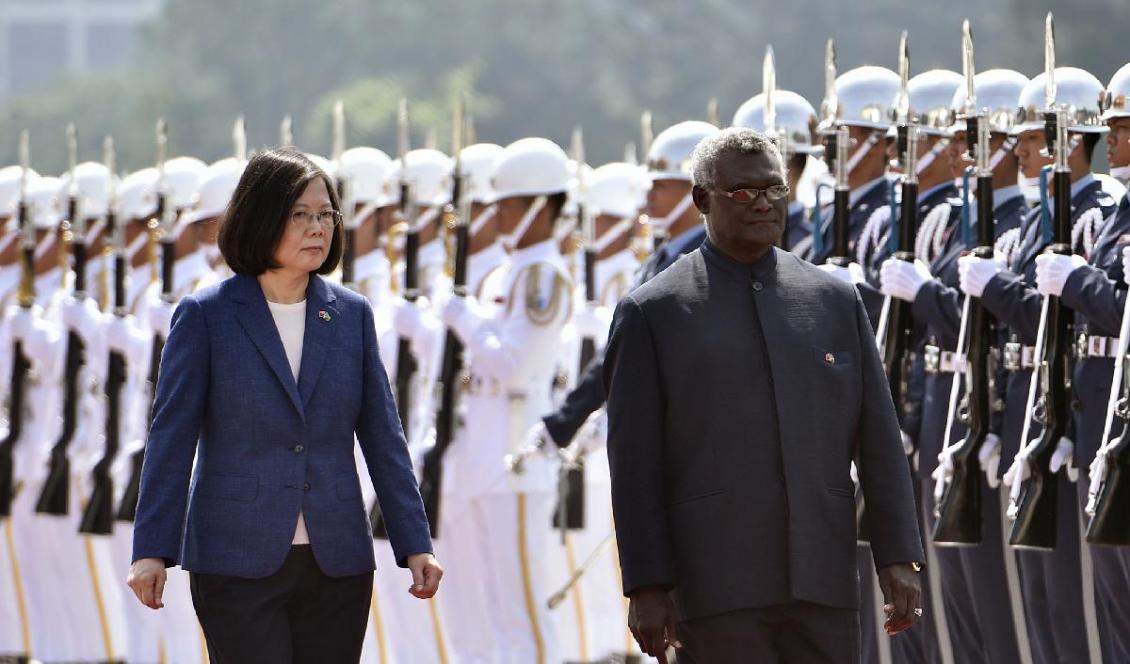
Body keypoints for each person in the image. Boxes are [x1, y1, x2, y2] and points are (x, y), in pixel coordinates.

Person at [603, 127, 924, 663]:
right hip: (714, 583)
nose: (762, 204)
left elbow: (878, 440)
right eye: (744, 192)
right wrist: (646, 584)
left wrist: (898, 556)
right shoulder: (653, 312)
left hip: (821, 577)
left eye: (774, 190)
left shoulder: (834, 301)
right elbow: (635, 465)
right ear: (703, 199)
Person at [126, 148, 440, 664]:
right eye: (301, 215)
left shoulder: (351, 315)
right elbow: (171, 437)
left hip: (336, 559)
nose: (318, 228)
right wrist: (151, 549)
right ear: (260, 216)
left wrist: (415, 542)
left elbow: (384, 437)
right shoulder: (207, 315)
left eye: (326, 215)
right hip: (235, 557)